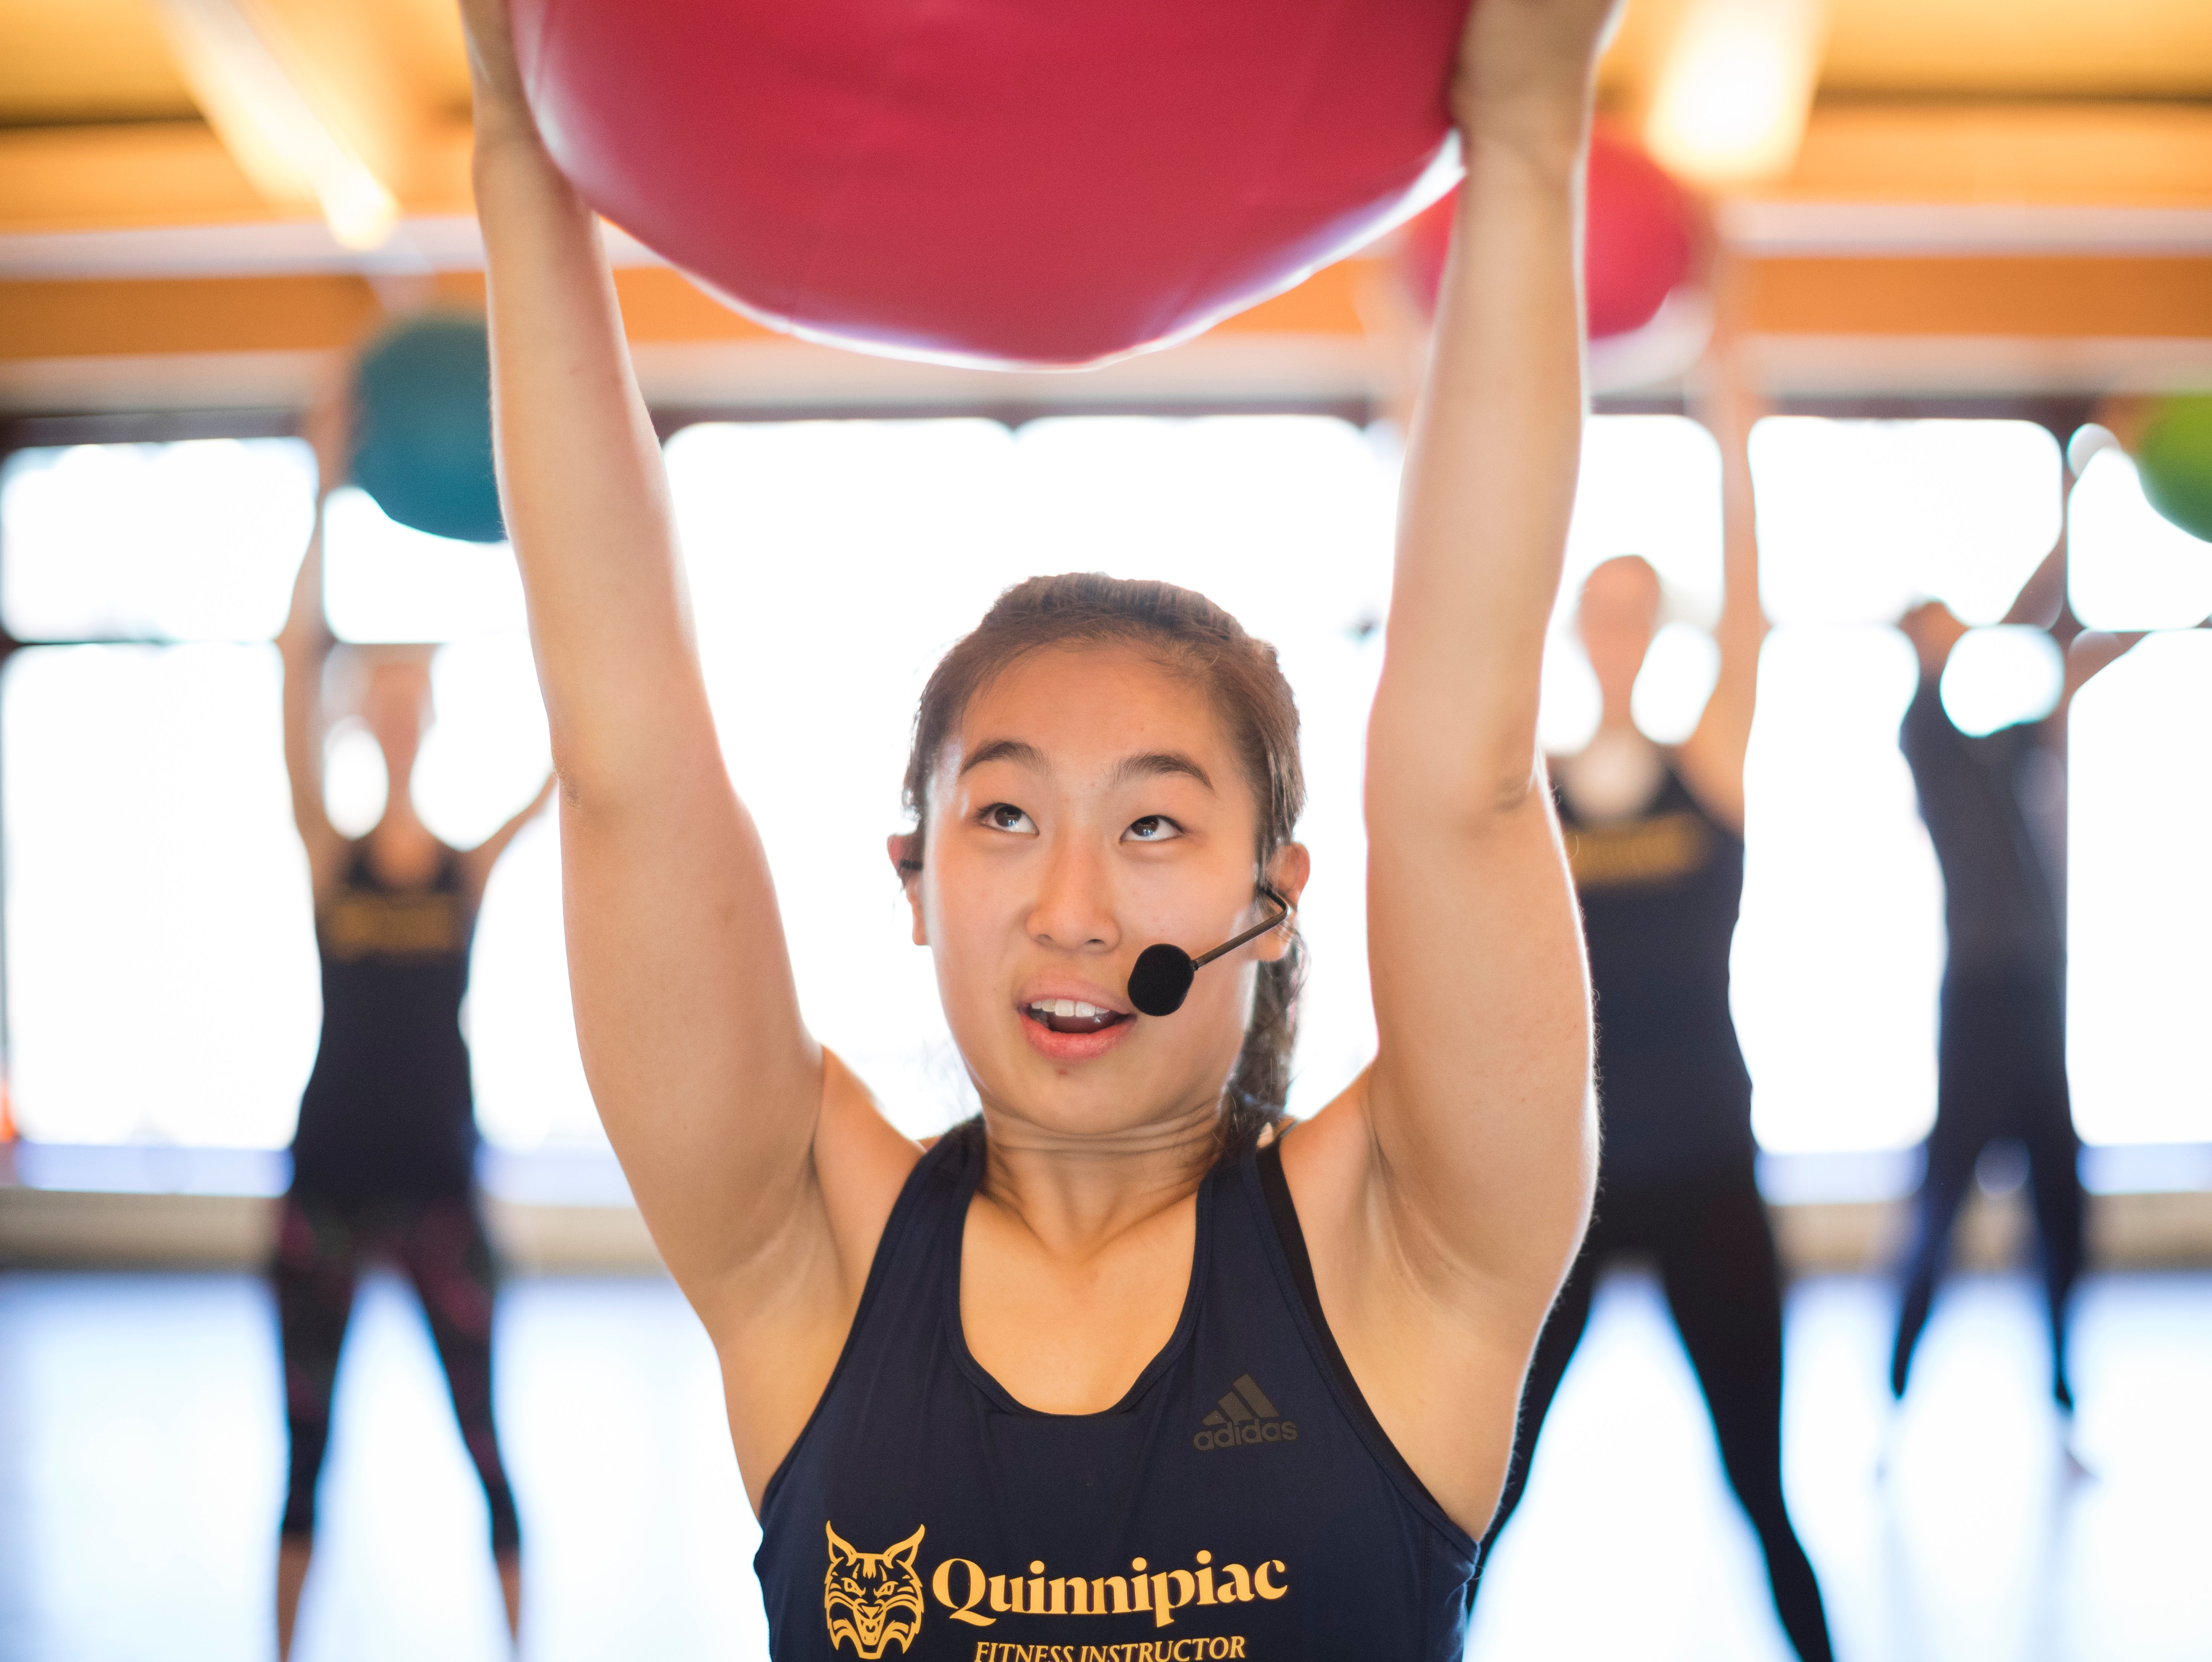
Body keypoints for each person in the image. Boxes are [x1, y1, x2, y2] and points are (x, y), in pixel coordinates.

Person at [458, 0, 1613, 1649]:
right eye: (1003, 813)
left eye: (1153, 829)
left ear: (1272, 899)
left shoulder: (1409, 1255)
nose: (1073, 905)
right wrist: (515, 144)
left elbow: (1465, 774)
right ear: (913, 880)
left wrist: (1525, 145)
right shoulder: (811, 1253)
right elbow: (627, 761)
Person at [1467, 312, 1836, 1661]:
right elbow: (1463, 595)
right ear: (1574, 631)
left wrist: (1729, 418)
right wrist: (1429, 378)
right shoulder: (1529, 788)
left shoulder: (1710, 764)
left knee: (1762, 1489)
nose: (1618, 627)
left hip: (1705, 1163)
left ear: (1654, 626)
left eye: (1637, 605)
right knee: (1485, 1496)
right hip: (1564, 1176)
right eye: (1597, 608)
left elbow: (1747, 604)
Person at [271, 425, 553, 1657]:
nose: (391, 706)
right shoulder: (329, 857)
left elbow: (577, 747)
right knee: (304, 1457)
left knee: (489, 1448)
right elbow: (292, 664)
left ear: (429, 715)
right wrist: (327, 483)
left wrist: (557, 531)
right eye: (373, 689)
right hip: (325, 1178)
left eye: (409, 689)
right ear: (358, 716)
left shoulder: (466, 863)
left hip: (443, 1183)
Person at [1889, 564, 2136, 1429]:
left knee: (2062, 1207)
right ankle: (1894, 1396)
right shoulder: (1919, 732)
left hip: (2037, 1000)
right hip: (1976, 1005)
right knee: (1938, 1210)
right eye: (1932, 628)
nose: (1950, 634)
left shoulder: (2001, 747)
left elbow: (2069, 660)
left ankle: (2063, 1389)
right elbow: (2026, 614)